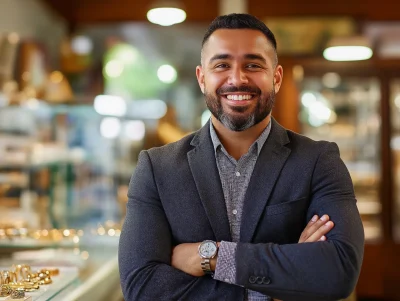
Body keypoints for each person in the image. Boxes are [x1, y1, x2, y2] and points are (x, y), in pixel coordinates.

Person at [118, 13, 364, 301]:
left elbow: (338, 272)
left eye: (253, 64)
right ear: (201, 78)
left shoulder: (319, 161)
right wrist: (279, 283)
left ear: (277, 77)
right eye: (222, 65)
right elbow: (141, 286)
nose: (237, 78)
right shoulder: (156, 167)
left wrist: (210, 256)